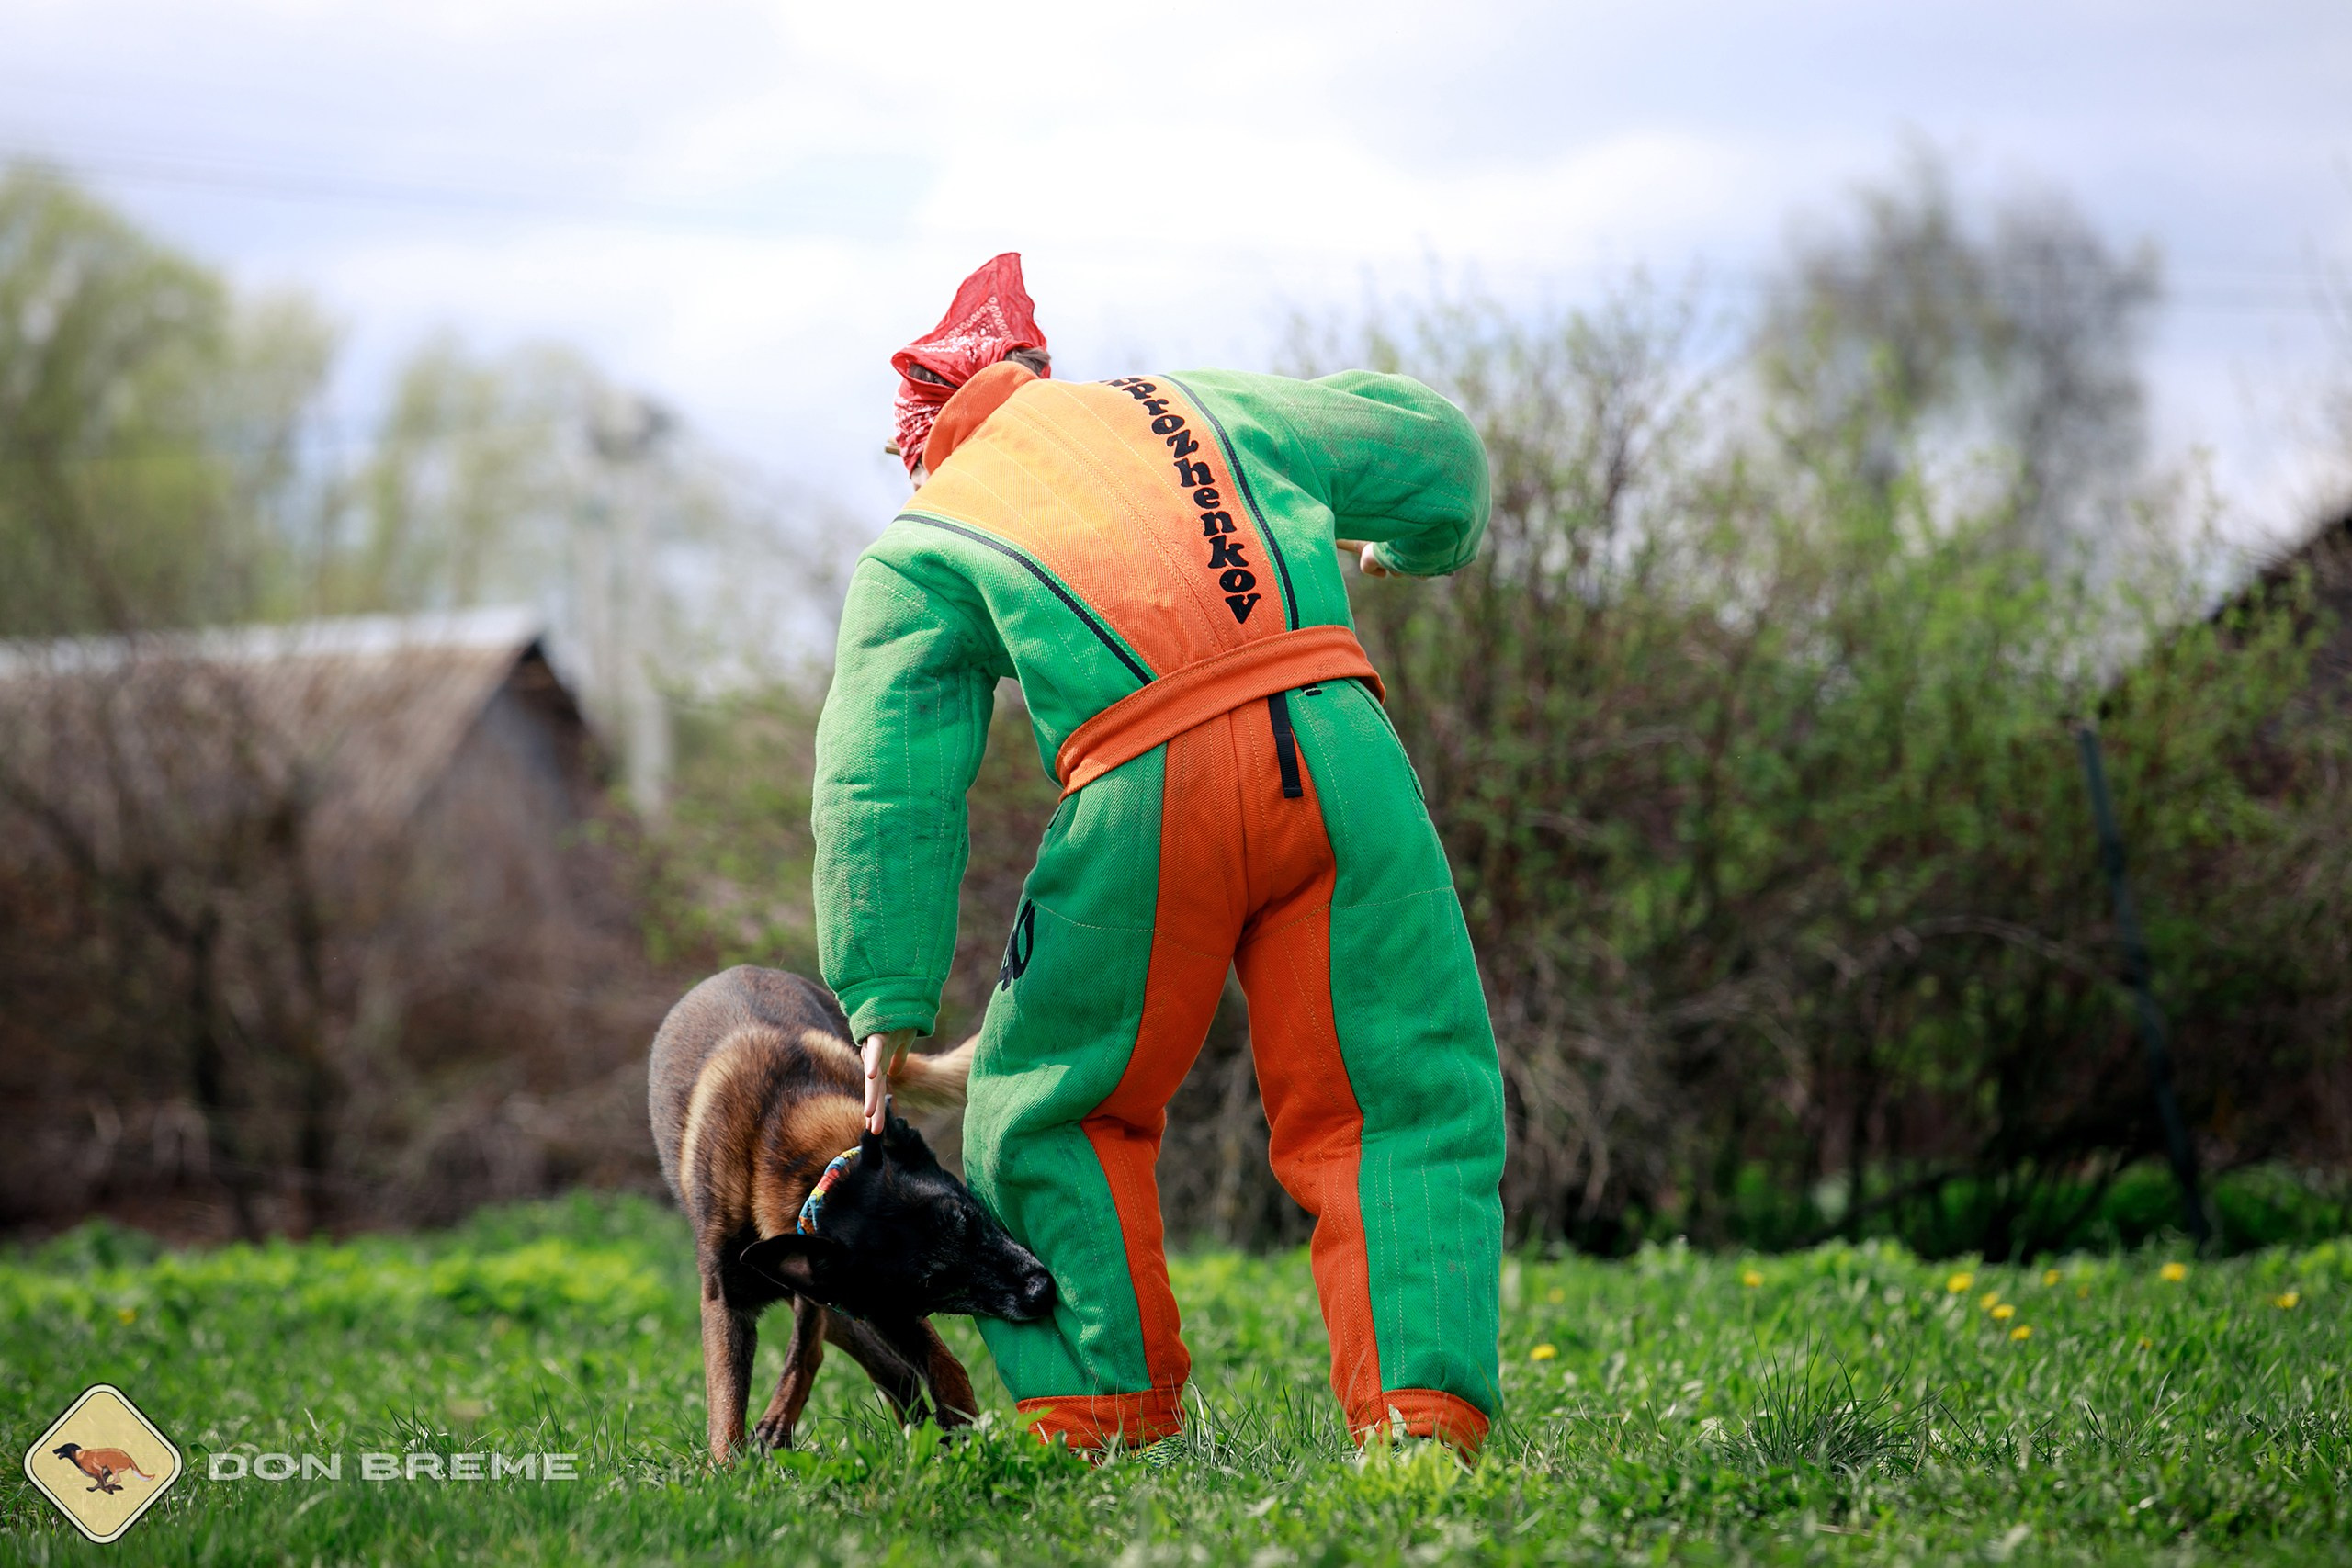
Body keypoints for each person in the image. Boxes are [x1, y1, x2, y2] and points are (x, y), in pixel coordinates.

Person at [814, 253, 1505, 1460]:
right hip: (1341, 753)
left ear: (926, 431)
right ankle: (1423, 1421)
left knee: (1053, 1106)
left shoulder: (928, 531)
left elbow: (881, 768)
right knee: (1400, 1088)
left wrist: (885, 990)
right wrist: (1418, 542)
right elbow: (1432, 445)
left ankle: (1100, 1415)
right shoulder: (1202, 402)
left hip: (1141, 789)